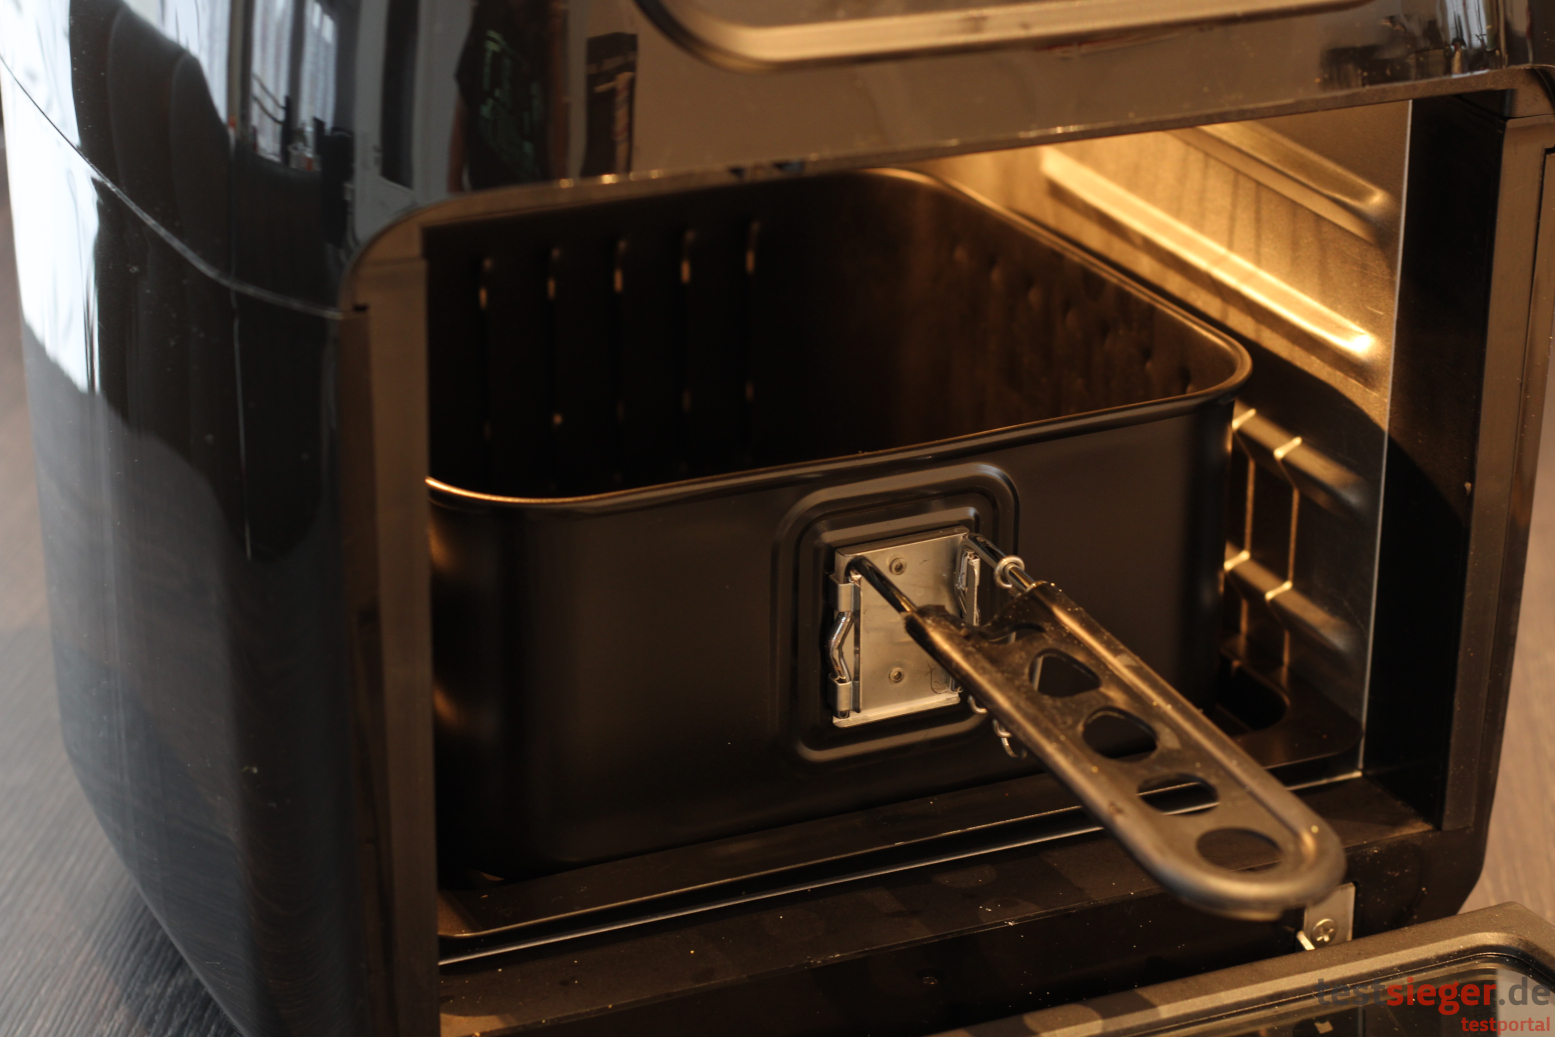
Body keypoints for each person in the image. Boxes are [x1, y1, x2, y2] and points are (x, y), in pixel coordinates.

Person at [447, 0, 568, 192]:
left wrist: (561, 182)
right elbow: (466, 97)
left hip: (534, 193)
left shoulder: (543, 24)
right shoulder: (487, 14)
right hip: (485, 192)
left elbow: (553, 108)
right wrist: (454, 181)